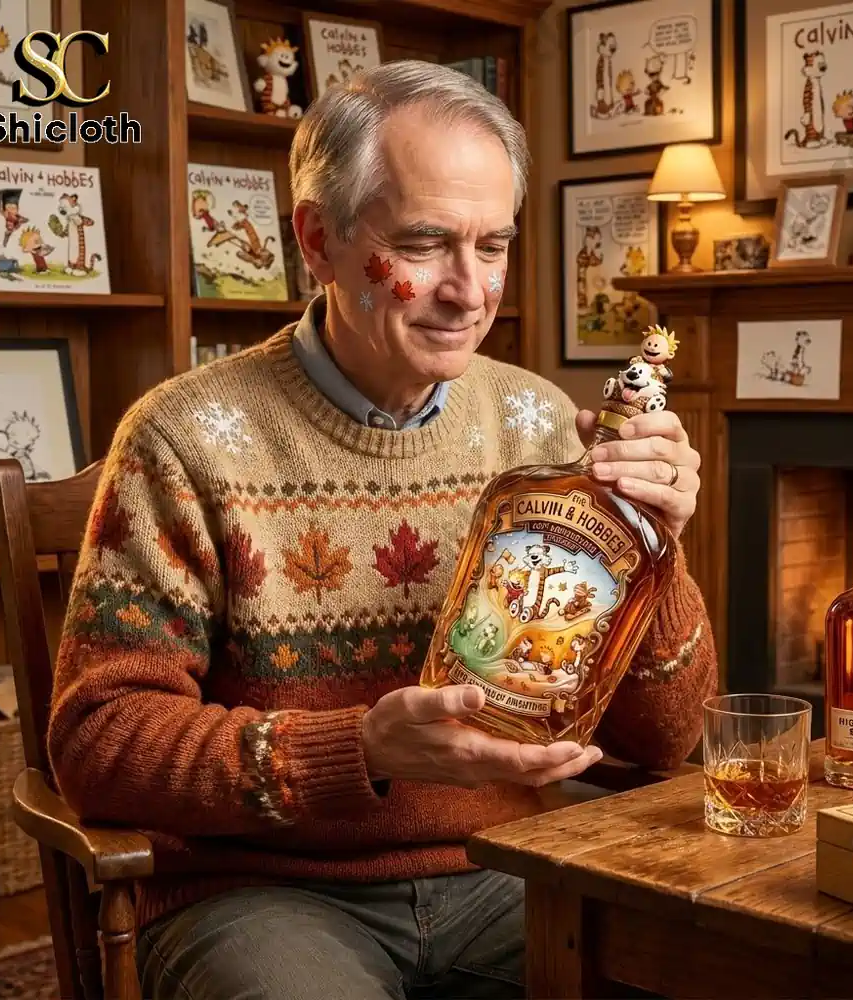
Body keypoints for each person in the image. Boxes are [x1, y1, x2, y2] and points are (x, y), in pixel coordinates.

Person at [48, 60, 717, 1000]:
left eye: (493, 246)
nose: (468, 289)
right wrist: (357, 749)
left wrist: (658, 550)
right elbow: (98, 742)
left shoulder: (538, 423)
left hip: (510, 868)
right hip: (261, 893)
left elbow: (669, 739)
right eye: (425, 242)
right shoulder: (183, 438)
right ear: (317, 240)